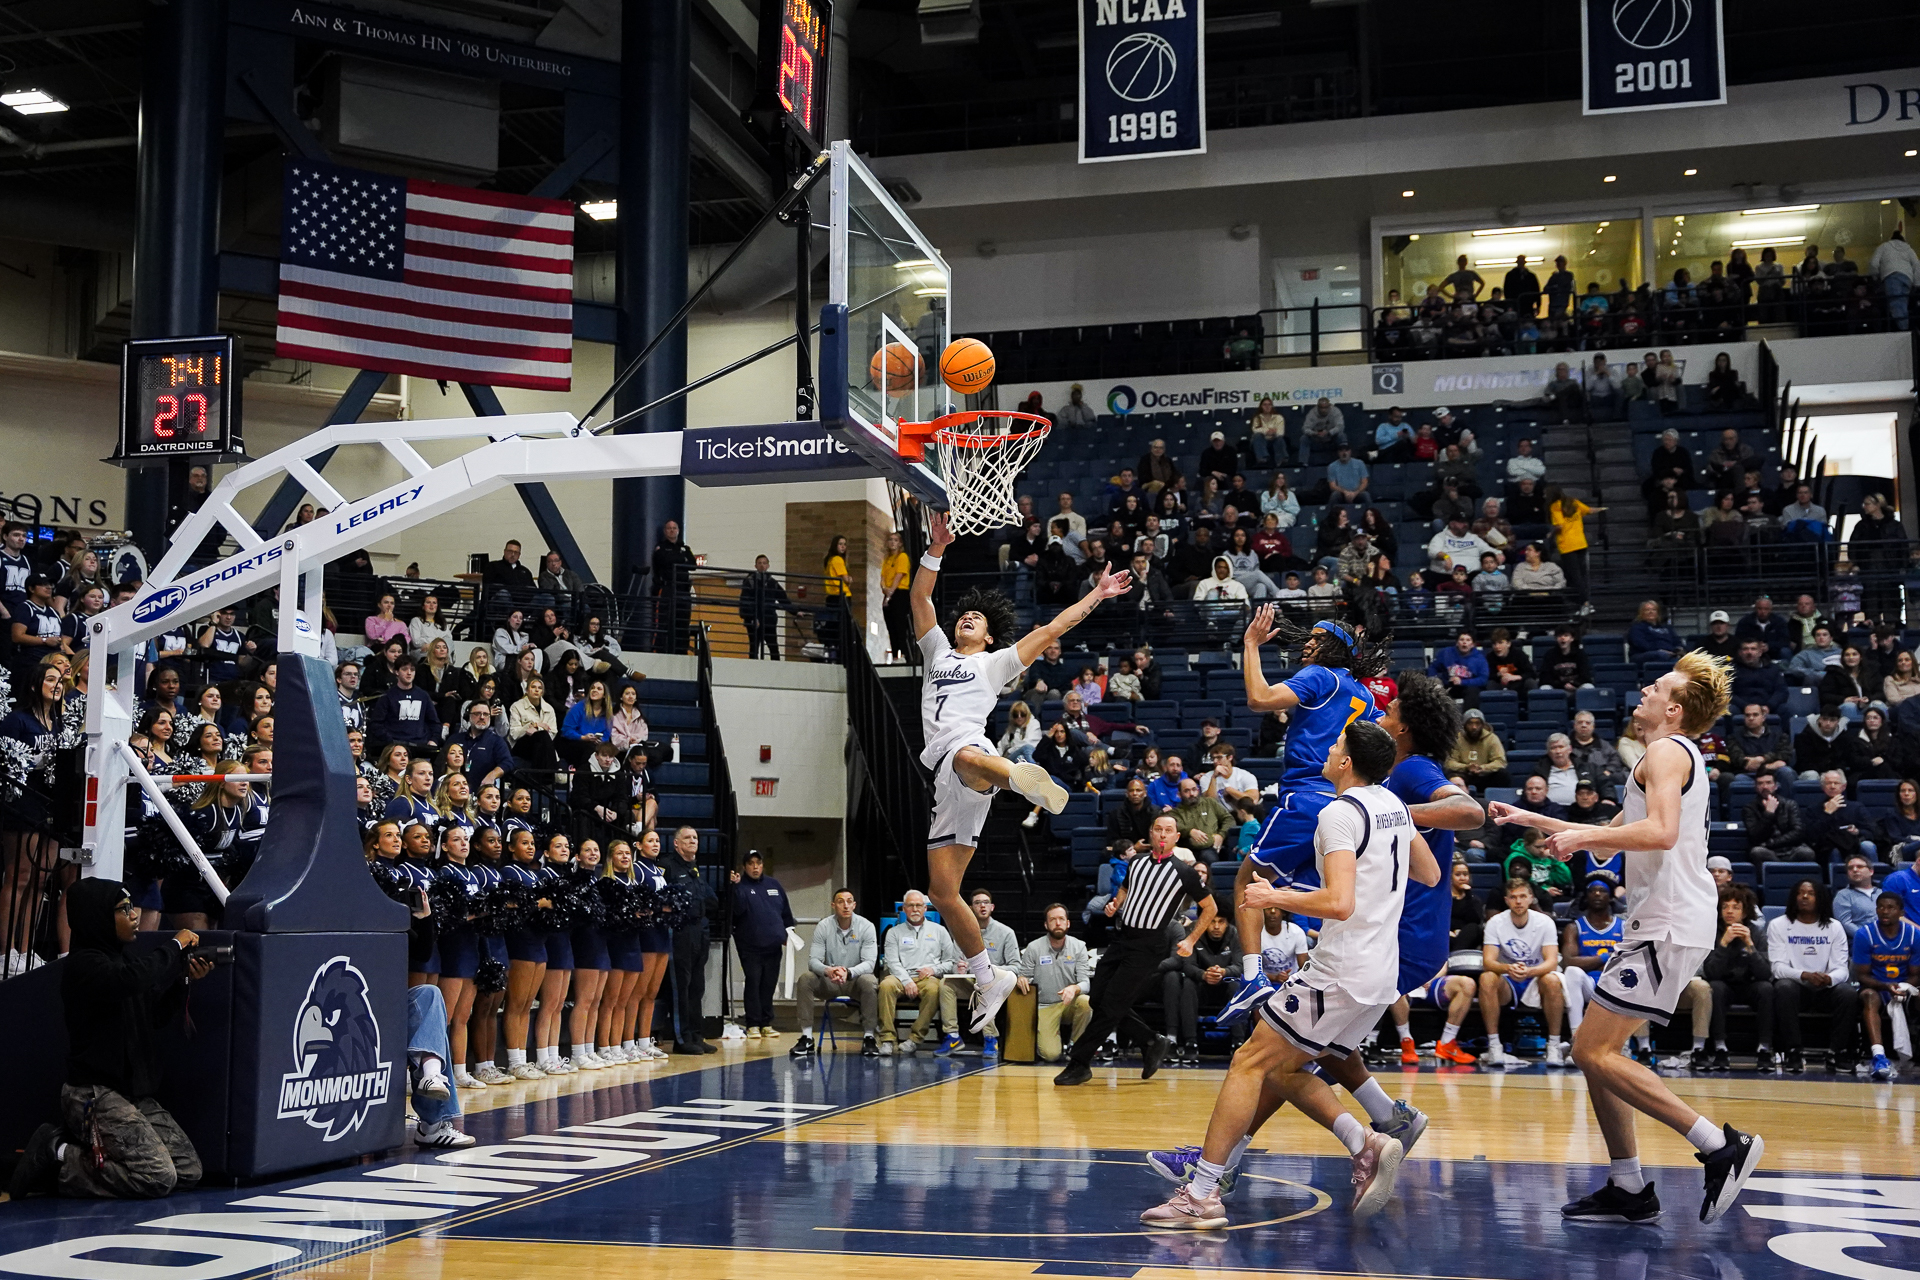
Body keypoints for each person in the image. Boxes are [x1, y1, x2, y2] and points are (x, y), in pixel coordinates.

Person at [1489, 650, 1764, 1226]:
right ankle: (1627, 1183)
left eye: (1658, 685)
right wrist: (1529, 820)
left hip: (1667, 921)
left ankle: (1720, 1146)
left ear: (1676, 707)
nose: (1645, 688)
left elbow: (1660, 834)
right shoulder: (1664, 756)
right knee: (1597, 1054)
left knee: (1592, 1050)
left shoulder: (1666, 750)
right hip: (1661, 921)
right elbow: (1609, 839)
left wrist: (1574, 838)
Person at [1138, 723, 1438, 1228]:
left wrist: (1273, 896)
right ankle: (1368, 1139)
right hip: (1379, 975)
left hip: (1340, 971)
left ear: (1347, 763)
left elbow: (1339, 903)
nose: (1329, 747)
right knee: (1282, 1070)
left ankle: (1204, 1193)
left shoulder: (1338, 813)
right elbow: (1427, 873)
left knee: (1247, 1063)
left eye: (1337, 744)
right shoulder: (1394, 807)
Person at [909, 511, 1130, 1040]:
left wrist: (1097, 593)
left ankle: (1019, 775)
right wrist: (936, 547)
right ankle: (990, 976)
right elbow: (920, 599)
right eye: (964, 616)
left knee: (967, 755)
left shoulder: (998, 662)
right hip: (944, 771)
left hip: (968, 753)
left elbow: (1053, 627)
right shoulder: (936, 649)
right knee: (942, 892)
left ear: (989, 638)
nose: (967, 619)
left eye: (977, 620)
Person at [6, 880, 215, 1198]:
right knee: (156, 1177)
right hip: (95, 1094)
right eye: (124, 909)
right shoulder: (84, 965)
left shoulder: (126, 961)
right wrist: (173, 947)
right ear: (98, 917)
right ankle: (58, 1154)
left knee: (188, 1170)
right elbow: (126, 983)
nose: (134, 915)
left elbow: (154, 1017)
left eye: (133, 907)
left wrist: (183, 979)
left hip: (132, 1093)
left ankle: (86, 1152)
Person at [1055, 814, 1216, 1086]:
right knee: (1097, 1000)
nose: (1163, 835)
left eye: (1169, 831)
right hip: (1121, 938)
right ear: (1151, 833)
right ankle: (1151, 1041)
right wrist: (1115, 904)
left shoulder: (1185, 871)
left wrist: (1190, 940)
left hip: (1149, 945)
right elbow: (1125, 888)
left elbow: (1210, 907)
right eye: (1158, 829)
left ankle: (1079, 1062)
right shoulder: (1137, 862)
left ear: (1177, 838)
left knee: (1112, 1006)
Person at [1768, 878, 1860, 1075]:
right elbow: (1777, 967)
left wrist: (1828, 979)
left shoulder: (1834, 927)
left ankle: (1837, 1052)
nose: (1804, 897)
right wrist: (1804, 975)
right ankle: (1793, 1051)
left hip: (1825, 989)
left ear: (1821, 898)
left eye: (1810, 893)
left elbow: (1841, 969)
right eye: (1800, 893)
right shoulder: (1778, 925)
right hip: (1796, 989)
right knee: (1783, 987)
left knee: (1848, 993)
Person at [1477, 879, 1567, 1067]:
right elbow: (1488, 962)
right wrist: (1508, 968)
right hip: (1508, 980)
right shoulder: (1495, 923)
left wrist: (1530, 971)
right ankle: (1495, 1046)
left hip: (1536, 978)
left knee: (1552, 980)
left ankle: (1554, 1046)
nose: (1518, 901)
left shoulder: (1545, 922)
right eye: (1513, 897)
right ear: (1506, 900)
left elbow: (1551, 961)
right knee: (1486, 978)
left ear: (1531, 898)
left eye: (1522, 897)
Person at [791, 887, 880, 1059]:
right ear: (833, 905)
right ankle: (807, 1037)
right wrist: (828, 970)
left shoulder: (867, 926)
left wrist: (848, 972)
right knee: (805, 979)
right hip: (830, 981)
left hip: (856, 980)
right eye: (840, 902)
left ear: (854, 905)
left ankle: (869, 1037)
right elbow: (813, 961)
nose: (845, 906)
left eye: (849, 902)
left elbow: (869, 963)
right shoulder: (824, 926)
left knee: (870, 981)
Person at [1702, 884, 1774, 1072]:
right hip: (1724, 985)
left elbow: (1765, 973)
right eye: (1725, 907)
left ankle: (1764, 1049)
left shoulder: (1756, 932)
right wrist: (1724, 944)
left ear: (1745, 911)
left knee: (1766, 988)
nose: (1729, 911)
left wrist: (1750, 945)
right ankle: (1720, 1048)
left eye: (1735, 907)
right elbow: (1711, 972)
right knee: (1715, 987)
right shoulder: (1712, 932)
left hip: (1750, 985)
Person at [877, 890, 956, 1055]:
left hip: (928, 977)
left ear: (925, 909)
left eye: (919, 905)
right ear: (904, 909)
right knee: (885, 985)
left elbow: (951, 962)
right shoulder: (894, 932)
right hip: (900, 976)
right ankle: (887, 1039)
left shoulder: (940, 931)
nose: (915, 909)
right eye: (910, 905)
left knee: (935, 990)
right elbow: (892, 962)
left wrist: (933, 969)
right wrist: (907, 981)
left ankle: (915, 1038)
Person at [1853, 892, 1920, 1081]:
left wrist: (1903, 987)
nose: (1885, 911)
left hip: (1906, 985)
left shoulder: (1914, 935)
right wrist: (1886, 985)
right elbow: (1862, 975)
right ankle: (1879, 1056)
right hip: (1876, 986)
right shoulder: (1864, 934)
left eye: (1890, 907)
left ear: (1901, 912)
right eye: (1881, 907)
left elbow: (1916, 974)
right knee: (1868, 997)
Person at [665, 825, 719, 1053]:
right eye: (687, 838)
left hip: (700, 930)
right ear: (676, 843)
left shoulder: (694, 869)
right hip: (681, 932)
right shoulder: (668, 866)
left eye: (695, 837)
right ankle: (681, 1038)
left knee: (697, 986)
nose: (693, 841)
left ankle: (696, 1034)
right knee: (681, 987)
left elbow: (712, 900)